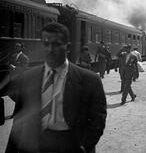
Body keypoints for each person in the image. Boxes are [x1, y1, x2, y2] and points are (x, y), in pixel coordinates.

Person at [1, 22, 107, 153]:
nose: (50, 49)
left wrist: (84, 146)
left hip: (71, 146)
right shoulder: (28, 77)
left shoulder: (89, 79)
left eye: (56, 44)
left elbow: (98, 119)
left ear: (67, 47)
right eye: (46, 44)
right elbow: (18, 121)